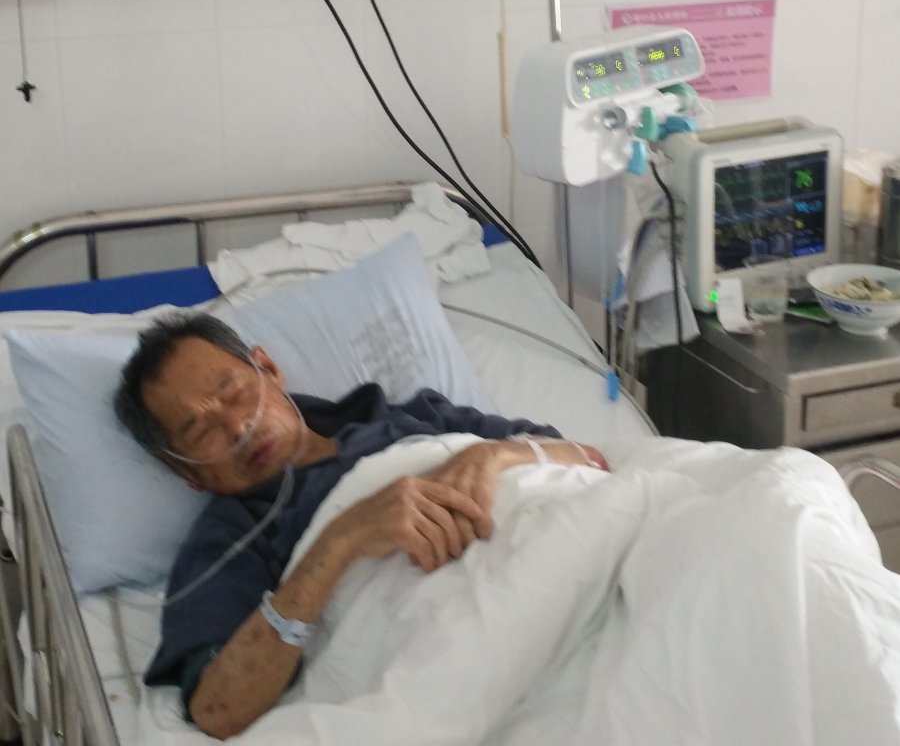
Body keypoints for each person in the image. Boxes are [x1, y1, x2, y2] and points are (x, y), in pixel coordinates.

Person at [114, 311, 607, 741]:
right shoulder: (228, 540)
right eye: (200, 430)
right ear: (186, 471)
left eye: (234, 392)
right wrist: (342, 539)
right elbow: (217, 709)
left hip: (573, 562)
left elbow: (590, 459)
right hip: (454, 650)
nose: (238, 427)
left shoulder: (412, 416)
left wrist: (493, 455)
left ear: (268, 369)